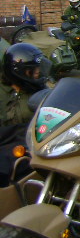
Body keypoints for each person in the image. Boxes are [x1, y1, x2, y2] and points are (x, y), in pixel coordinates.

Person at [0, 43, 51, 187]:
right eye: (32, 70)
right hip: (7, 141)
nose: (38, 73)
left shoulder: (41, 92)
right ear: (18, 72)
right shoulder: (2, 92)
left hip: (30, 145)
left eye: (38, 68)